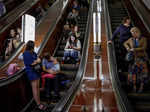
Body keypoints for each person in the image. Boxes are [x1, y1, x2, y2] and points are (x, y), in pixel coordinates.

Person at [23, 40, 47, 110]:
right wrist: (37, 61)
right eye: (33, 46)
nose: (33, 48)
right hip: (31, 72)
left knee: (37, 88)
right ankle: (38, 104)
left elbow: (37, 58)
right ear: (30, 46)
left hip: (36, 71)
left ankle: (39, 101)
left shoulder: (33, 52)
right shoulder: (26, 53)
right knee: (35, 89)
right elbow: (31, 63)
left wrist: (37, 60)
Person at [124, 27, 148, 93]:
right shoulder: (131, 39)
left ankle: (141, 87)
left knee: (142, 73)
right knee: (132, 73)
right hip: (133, 59)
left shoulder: (143, 39)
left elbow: (144, 48)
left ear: (137, 32)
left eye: (133, 33)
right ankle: (134, 86)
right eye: (131, 33)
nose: (132, 34)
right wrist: (127, 48)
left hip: (141, 58)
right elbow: (125, 43)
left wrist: (134, 49)